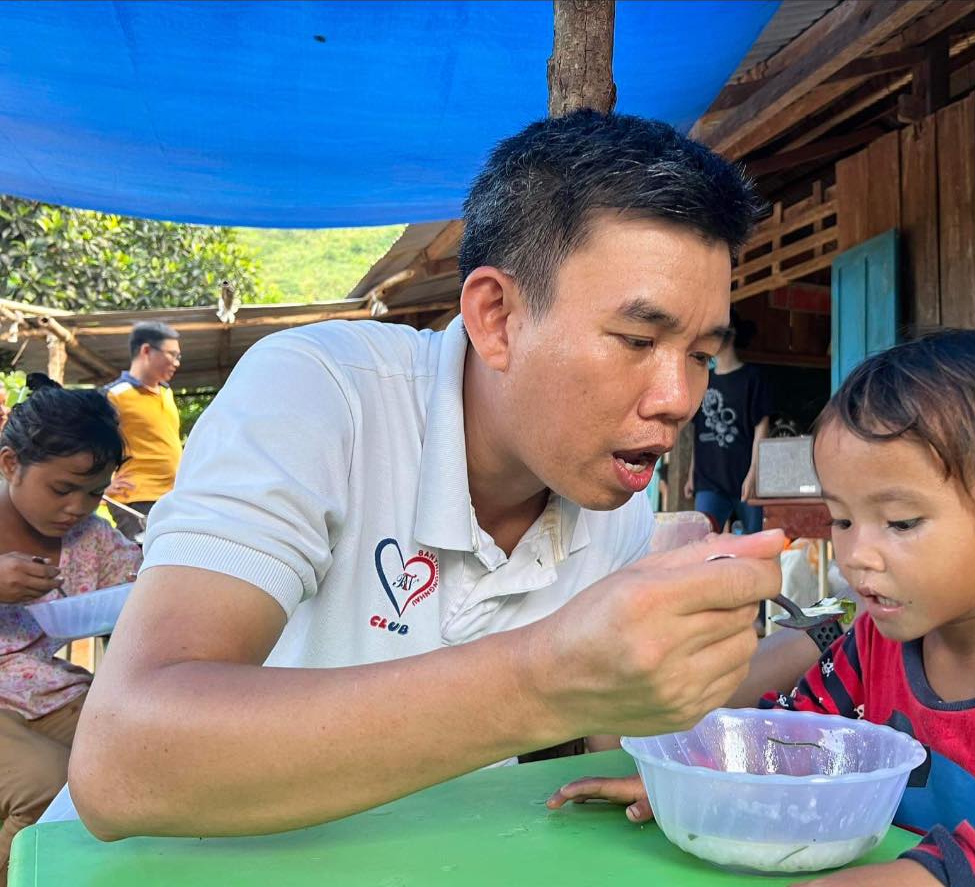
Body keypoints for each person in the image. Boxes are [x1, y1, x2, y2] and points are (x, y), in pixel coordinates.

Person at [69, 110, 822, 840]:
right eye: (635, 338)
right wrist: (544, 676)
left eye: (699, 355)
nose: (678, 400)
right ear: (497, 318)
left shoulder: (615, 505)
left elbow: (609, 739)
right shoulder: (322, 395)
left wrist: (693, 694)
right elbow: (124, 762)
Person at [548, 330, 975, 887]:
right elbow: (790, 742)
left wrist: (924, 875)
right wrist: (700, 784)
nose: (856, 555)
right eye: (841, 519)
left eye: (900, 522)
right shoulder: (877, 642)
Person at [0, 375, 140, 875]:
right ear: (11, 464)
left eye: (94, 493)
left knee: (144, 755)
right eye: (62, 489)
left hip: (48, 692)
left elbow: (148, 577)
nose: (76, 508)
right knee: (47, 784)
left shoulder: (91, 540)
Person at [685, 311, 772, 534]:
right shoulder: (704, 378)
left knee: (754, 545)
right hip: (708, 480)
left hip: (744, 476)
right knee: (702, 541)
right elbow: (698, 430)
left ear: (730, 334)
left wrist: (754, 474)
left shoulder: (752, 378)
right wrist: (691, 475)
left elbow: (762, 427)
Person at [103, 321, 183, 541]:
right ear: (146, 350)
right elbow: (85, 443)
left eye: (178, 357)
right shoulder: (114, 395)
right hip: (137, 500)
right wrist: (102, 485)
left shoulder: (166, 393)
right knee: (146, 567)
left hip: (172, 497)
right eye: (172, 355)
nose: (176, 363)